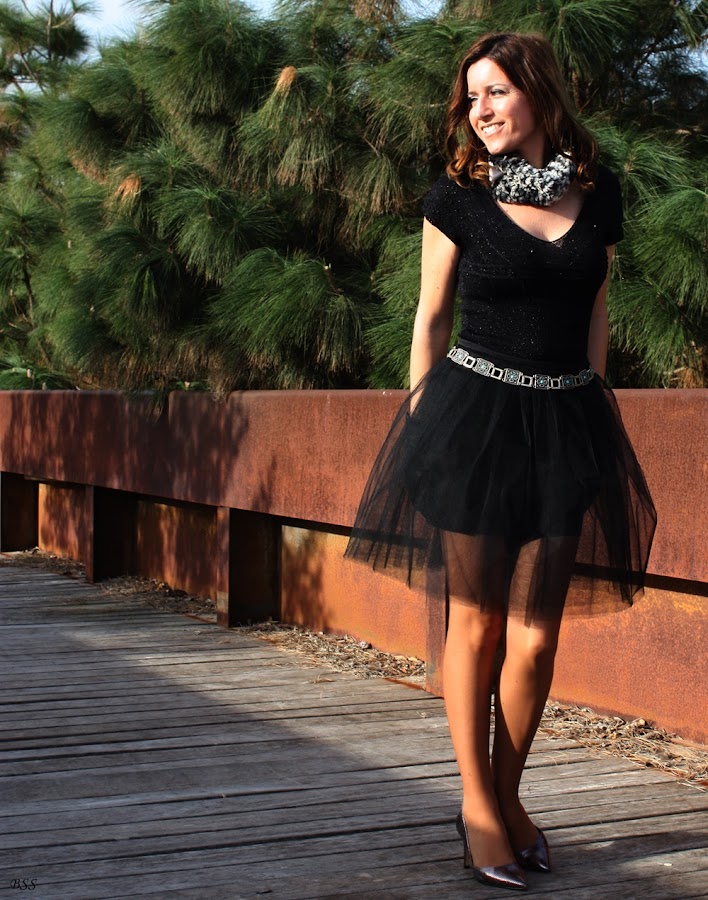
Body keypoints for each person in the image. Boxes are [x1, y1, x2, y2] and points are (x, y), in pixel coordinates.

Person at [345, 32, 657, 892]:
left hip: (566, 422)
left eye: (496, 92)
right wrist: (422, 426)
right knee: (476, 625)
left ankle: (509, 796)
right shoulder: (457, 197)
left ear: (538, 94)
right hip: (472, 421)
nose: (479, 110)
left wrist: (594, 403)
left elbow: (596, 311)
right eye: (471, 96)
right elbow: (429, 320)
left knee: (537, 634)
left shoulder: (598, 194)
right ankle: (480, 808)